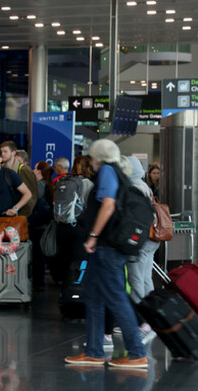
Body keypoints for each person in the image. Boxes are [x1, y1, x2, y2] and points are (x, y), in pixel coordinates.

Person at [65, 139, 148, 369]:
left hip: (107, 248)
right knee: (93, 297)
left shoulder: (108, 172)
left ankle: (136, 353)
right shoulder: (117, 172)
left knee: (117, 299)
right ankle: (93, 351)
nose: (90, 161)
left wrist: (93, 235)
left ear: (98, 157)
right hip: (107, 248)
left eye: (92, 156)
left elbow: (108, 205)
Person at [119, 156, 158, 343]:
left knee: (135, 281)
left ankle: (143, 323)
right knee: (145, 279)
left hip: (141, 241)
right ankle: (153, 319)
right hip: (151, 240)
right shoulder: (145, 186)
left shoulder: (133, 188)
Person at [52, 156, 94, 284]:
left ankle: (63, 288)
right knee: (77, 260)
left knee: (64, 257)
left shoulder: (63, 181)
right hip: (78, 227)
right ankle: (74, 288)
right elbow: (89, 206)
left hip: (61, 225)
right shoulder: (87, 183)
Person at [0, 146, 32, 218]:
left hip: (7, 219)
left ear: (0, 159)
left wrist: (15, 209)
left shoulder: (9, 174)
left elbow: (28, 194)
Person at [0, 141, 37, 217]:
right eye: (1, 152)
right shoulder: (0, 169)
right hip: (3, 213)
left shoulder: (23, 169)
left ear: (13, 153)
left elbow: (32, 196)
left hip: (19, 214)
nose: (2, 154)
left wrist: (22, 216)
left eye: (5, 151)